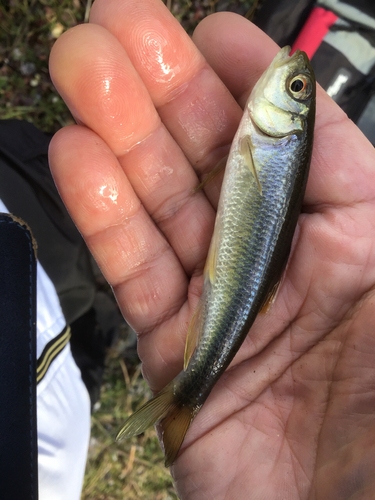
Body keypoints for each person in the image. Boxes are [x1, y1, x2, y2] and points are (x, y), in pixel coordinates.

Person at [49, 0, 375, 498]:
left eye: (294, 88)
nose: (292, 73)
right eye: (297, 87)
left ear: (289, 121)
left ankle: (189, 392)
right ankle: (188, 394)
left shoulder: (274, 139)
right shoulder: (269, 137)